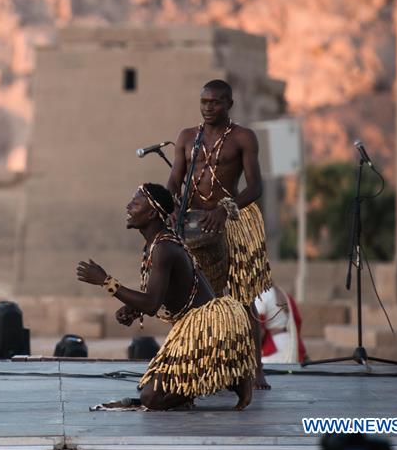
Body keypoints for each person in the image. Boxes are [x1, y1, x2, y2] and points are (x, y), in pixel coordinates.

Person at [76, 183, 254, 411]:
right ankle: (227, 376)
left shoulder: (163, 248)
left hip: (208, 327)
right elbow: (161, 295)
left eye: (135, 203)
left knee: (151, 399)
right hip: (199, 323)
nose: (128, 207)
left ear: (151, 214)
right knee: (152, 394)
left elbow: (151, 304)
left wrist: (107, 282)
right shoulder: (157, 243)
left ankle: (228, 376)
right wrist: (134, 307)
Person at [167, 79, 273, 389]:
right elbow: (175, 179)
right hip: (194, 221)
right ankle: (200, 365)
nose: (207, 108)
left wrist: (224, 210)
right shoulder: (187, 138)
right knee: (194, 296)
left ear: (229, 104)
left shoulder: (243, 138)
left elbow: (255, 186)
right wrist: (171, 205)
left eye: (214, 102)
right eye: (203, 102)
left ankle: (255, 368)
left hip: (233, 218)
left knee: (243, 296)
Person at [255, 284, 307, 364]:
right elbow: (297, 320)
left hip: (274, 347)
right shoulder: (283, 293)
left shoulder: (262, 295)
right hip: (290, 341)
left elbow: (259, 330)